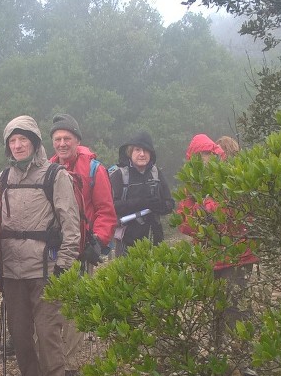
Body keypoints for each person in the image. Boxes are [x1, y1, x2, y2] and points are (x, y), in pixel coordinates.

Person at [0, 116, 81, 376]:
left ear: (35, 142)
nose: (17, 145)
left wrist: (64, 264)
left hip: (46, 270)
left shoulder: (56, 176)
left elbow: (70, 224)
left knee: (47, 336)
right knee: (20, 335)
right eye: (12, 141)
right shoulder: (2, 179)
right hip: (13, 271)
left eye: (23, 139)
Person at [47, 114, 118, 376]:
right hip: (53, 248)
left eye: (67, 139)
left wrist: (97, 242)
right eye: (57, 139)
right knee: (51, 305)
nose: (62, 143)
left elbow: (105, 209)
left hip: (81, 248)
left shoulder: (94, 169)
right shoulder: (49, 168)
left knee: (74, 309)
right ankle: (53, 362)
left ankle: (67, 365)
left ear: (77, 140)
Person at [177, 134, 257, 347]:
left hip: (236, 255)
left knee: (237, 307)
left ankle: (244, 356)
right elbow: (183, 222)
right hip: (211, 256)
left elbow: (237, 211)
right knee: (217, 309)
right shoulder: (191, 184)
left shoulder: (229, 175)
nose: (205, 159)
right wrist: (201, 214)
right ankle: (221, 356)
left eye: (208, 154)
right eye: (200, 155)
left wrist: (208, 210)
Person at [108, 131, 175, 256]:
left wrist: (159, 206)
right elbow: (111, 206)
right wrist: (141, 202)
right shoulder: (120, 175)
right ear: (130, 152)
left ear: (151, 153)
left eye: (146, 150)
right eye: (137, 150)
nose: (142, 154)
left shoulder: (156, 173)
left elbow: (170, 203)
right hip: (127, 242)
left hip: (155, 239)